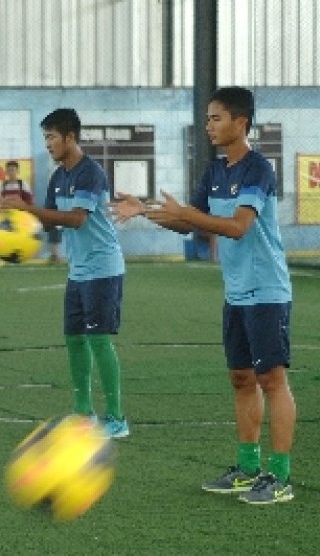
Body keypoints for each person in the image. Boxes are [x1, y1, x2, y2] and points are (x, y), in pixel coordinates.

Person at [112, 86, 295, 504]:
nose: (208, 125)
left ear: (240, 122)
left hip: (267, 290)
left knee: (272, 379)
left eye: (216, 118)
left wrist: (187, 214)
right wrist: (144, 211)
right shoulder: (214, 172)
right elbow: (187, 225)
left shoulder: (258, 169)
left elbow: (236, 227)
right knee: (241, 378)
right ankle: (248, 469)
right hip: (237, 294)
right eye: (208, 118)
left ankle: (279, 476)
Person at [0, 108, 129, 439]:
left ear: (70, 137)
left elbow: (77, 218)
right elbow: (50, 219)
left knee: (98, 339)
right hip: (78, 270)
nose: (48, 144)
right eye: (46, 137)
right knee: (74, 339)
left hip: (103, 268)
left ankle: (117, 418)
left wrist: (27, 208)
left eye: (52, 137)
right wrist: (12, 215)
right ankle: (83, 412)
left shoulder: (89, 173)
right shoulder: (59, 176)